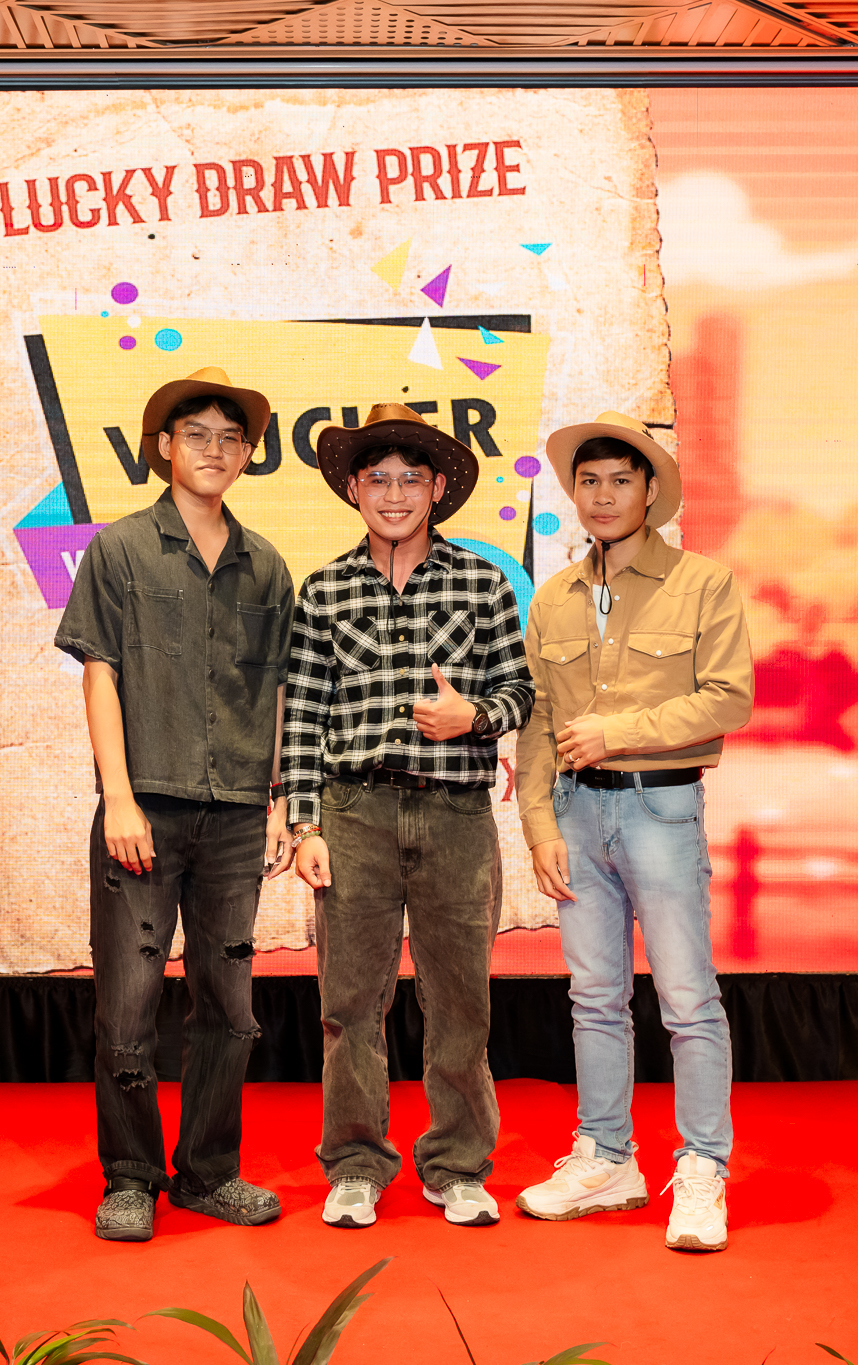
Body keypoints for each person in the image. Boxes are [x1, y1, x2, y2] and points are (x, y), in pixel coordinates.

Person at [53, 366, 295, 1243]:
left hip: (235, 813)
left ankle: (208, 1172)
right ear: (163, 446)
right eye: (197, 435)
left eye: (231, 438)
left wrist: (277, 800)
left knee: (230, 1008)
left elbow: (276, 692)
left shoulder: (266, 565)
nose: (215, 450)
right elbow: (100, 674)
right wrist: (117, 796)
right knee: (127, 1004)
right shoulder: (119, 549)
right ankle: (129, 1177)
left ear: (248, 454)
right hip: (143, 811)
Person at [284, 404, 534, 1230]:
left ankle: (458, 1164)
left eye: (411, 479)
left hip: (457, 814)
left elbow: (520, 691)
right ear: (354, 489)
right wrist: (304, 826)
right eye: (379, 479)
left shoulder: (483, 583)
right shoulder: (324, 589)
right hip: (353, 812)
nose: (394, 494)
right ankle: (355, 1163)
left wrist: (475, 716)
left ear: (437, 489)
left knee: (460, 1001)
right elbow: (302, 718)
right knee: (350, 1003)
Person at [512, 411, 754, 1251]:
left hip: (661, 808)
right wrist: (538, 823)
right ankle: (608, 1158)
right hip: (575, 812)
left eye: (621, 480)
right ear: (573, 494)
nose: (604, 495)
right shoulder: (553, 597)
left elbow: (729, 698)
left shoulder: (703, 583)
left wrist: (620, 732)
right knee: (592, 996)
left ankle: (704, 1166)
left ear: (652, 491)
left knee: (687, 998)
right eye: (589, 481)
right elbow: (538, 719)